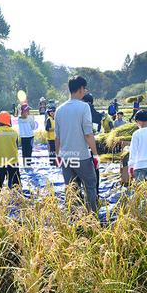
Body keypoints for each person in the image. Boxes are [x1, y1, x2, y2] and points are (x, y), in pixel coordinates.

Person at [55, 75, 99, 213]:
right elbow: (88, 133)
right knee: (90, 185)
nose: (84, 92)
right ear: (80, 89)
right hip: (82, 156)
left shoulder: (59, 109)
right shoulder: (84, 107)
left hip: (66, 156)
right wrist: (95, 154)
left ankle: (74, 220)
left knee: (71, 189)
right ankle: (91, 218)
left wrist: (58, 155)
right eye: (84, 89)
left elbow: (57, 137)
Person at [0, 111, 21, 189]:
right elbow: (16, 146)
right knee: (16, 182)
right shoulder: (14, 132)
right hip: (13, 160)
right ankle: (17, 197)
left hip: (0, 160)